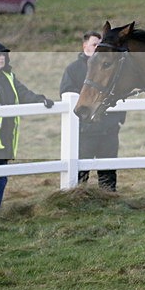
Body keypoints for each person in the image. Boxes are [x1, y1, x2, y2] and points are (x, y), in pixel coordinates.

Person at [0, 40, 54, 213]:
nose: (2, 59)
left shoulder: (9, 76)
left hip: (3, 137)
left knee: (0, 177)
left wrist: (40, 99)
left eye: (4, 56)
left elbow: (23, 93)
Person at [59, 31, 125, 191]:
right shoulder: (73, 69)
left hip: (108, 129)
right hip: (85, 130)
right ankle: (78, 198)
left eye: (99, 45)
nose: (97, 48)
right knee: (81, 169)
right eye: (94, 44)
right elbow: (66, 92)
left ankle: (109, 199)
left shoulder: (111, 67)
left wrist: (118, 119)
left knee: (108, 170)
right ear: (85, 46)